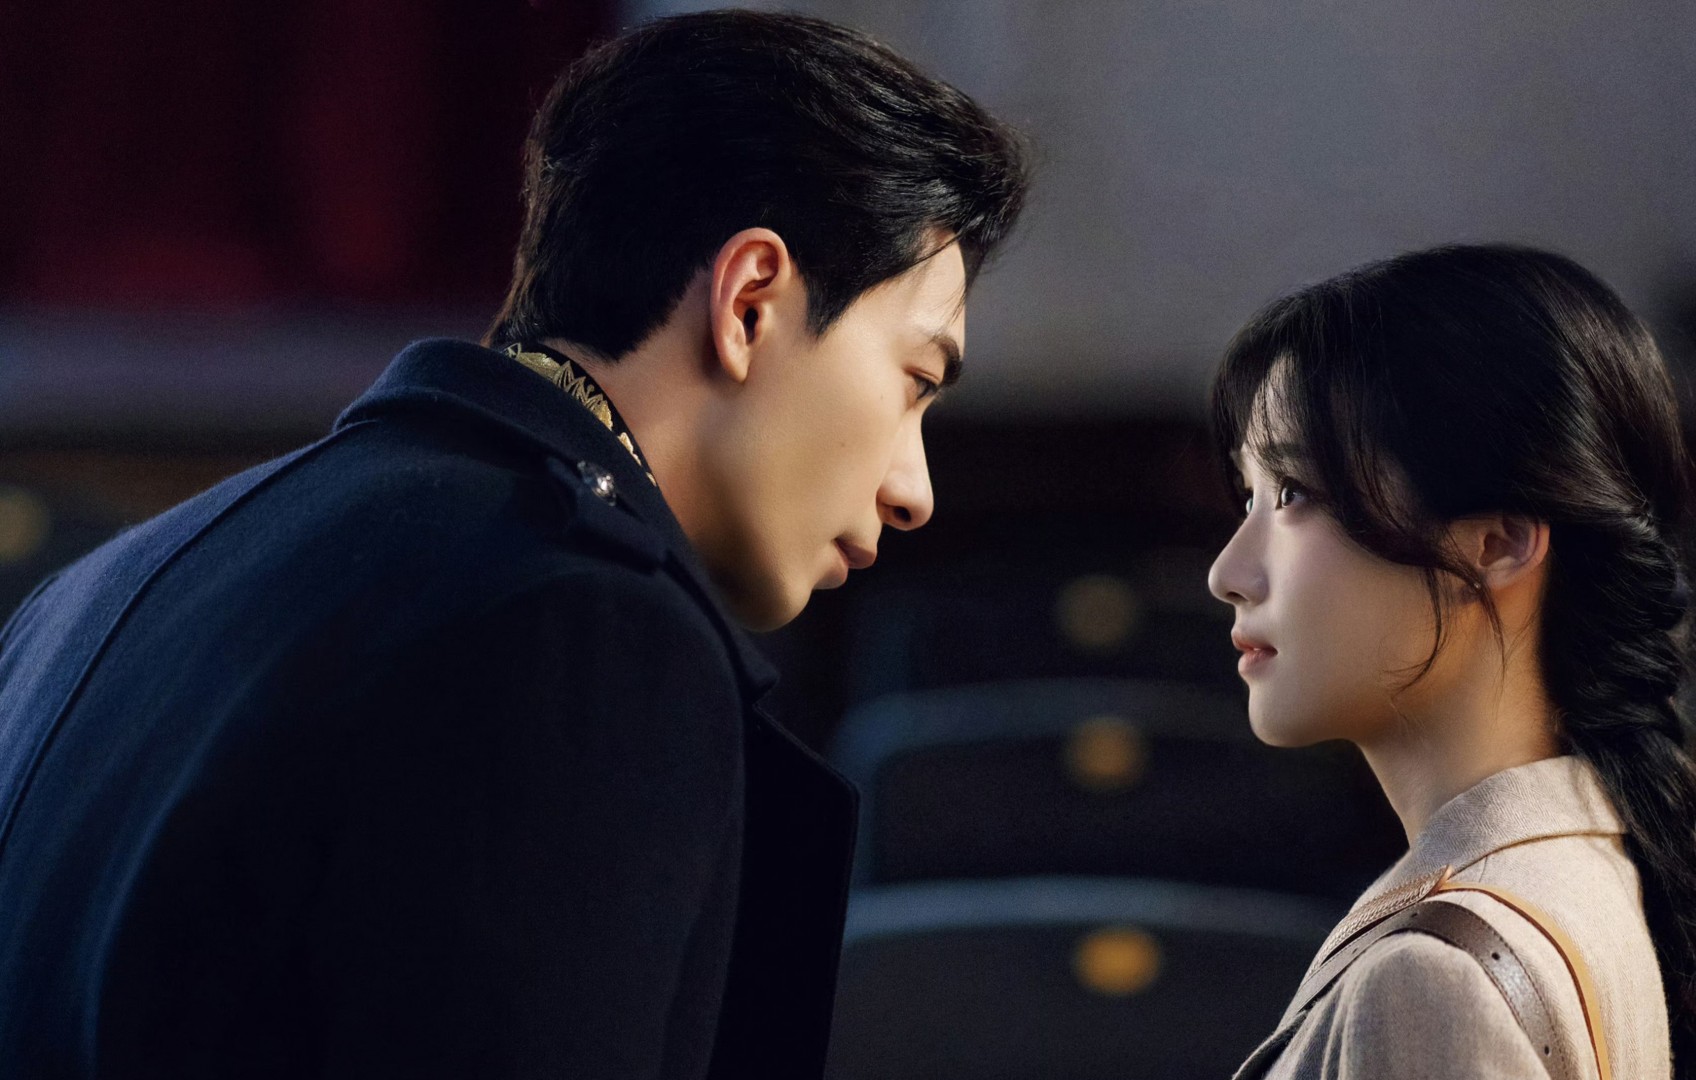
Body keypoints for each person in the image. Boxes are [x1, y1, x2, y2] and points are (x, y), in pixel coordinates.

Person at [0, 10, 1026, 1079]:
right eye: (916, 380)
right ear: (751, 303)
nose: (914, 492)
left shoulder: (92, 592)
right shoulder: (582, 636)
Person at [1206, 245, 1696, 1080]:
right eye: (1250, 496)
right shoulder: (1591, 865)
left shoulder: (1432, 979)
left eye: (1295, 493)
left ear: (1498, 543)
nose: (1228, 572)